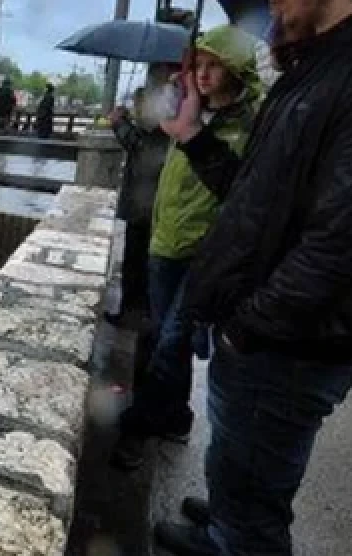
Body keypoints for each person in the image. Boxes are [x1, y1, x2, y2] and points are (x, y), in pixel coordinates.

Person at [152, 0, 352, 556]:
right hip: (273, 340)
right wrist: (194, 136)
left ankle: (233, 532)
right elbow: (257, 195)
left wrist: (245, 328)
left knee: (256, 518)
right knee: (241, 469)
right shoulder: (325, 62)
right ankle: (223, 521)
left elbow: (346, 243)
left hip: (286, 348)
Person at [109, 25, 264, 472]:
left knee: (171, 338)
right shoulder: (183, 110)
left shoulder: (250, 126)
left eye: (216, 66)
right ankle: (176, 415)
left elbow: (241, 191)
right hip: (166, 242)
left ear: (237, 71)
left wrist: (188, 130)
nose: (204, 75)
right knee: (164, 335)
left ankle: (138, 428)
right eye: (200, 65)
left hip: (205, 252)